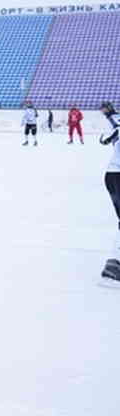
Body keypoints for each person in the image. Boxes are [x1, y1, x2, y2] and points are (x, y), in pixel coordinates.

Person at [98, 101, 120, 284]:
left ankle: (114, 264)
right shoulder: (115, 121)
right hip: (117, 174)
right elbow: (105, 138)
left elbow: (105, 139)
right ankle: (114, 266)